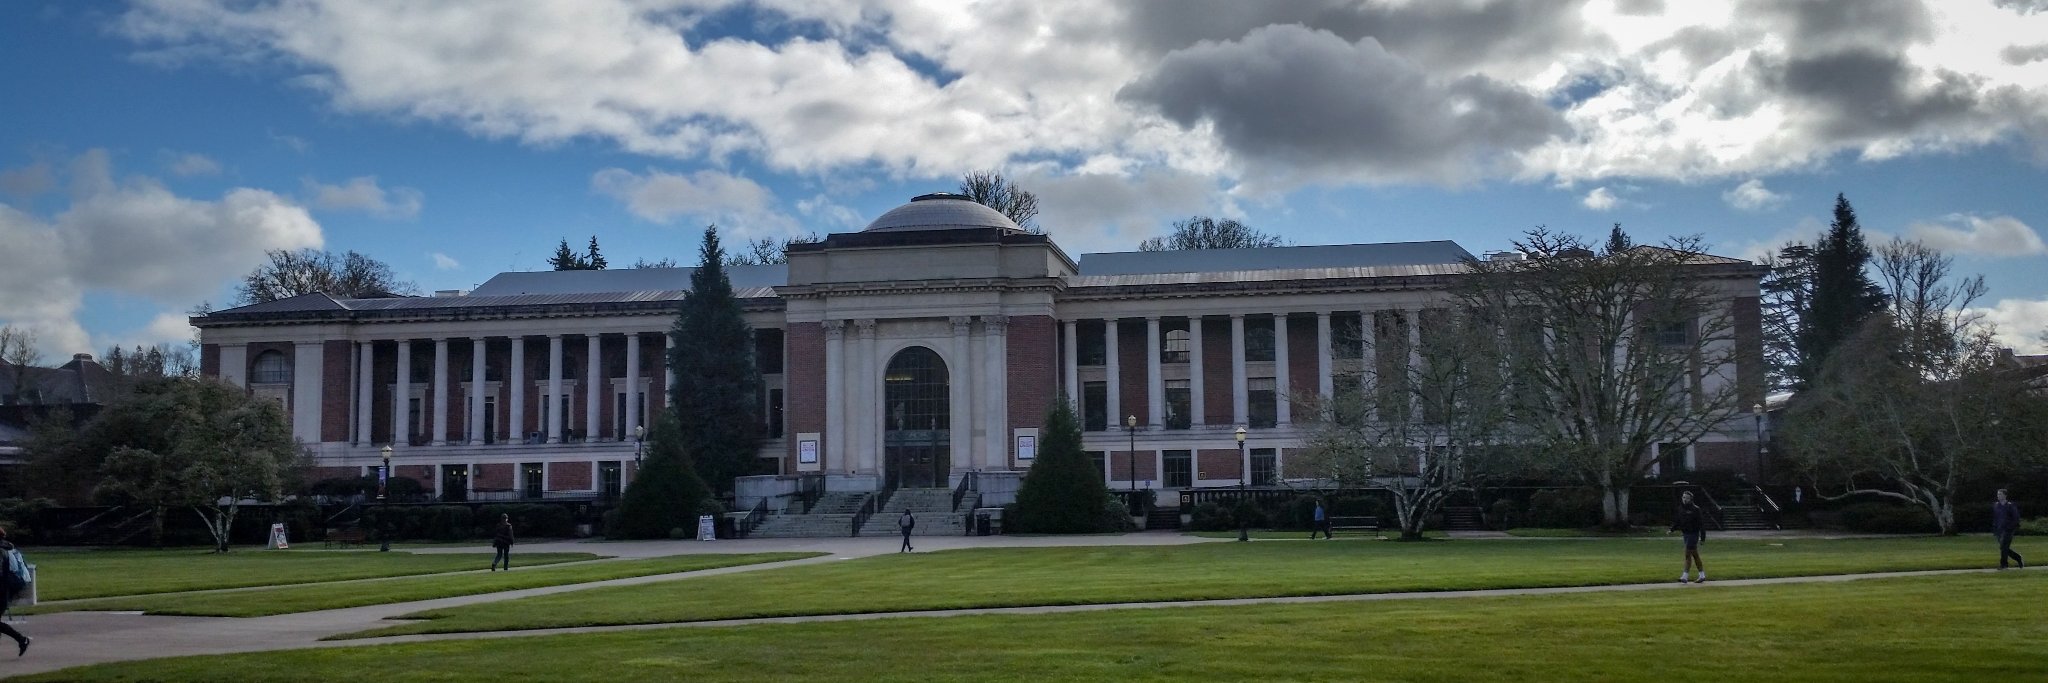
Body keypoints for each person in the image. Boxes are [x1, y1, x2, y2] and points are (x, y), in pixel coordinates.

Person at [0, 528, 31, 657]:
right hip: (8, 588)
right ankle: (21, 640)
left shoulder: (1, 551)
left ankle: (21, 639)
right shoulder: (8, 548)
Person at [1669, 491, 1707, 583]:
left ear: (1691, 499)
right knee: (1695, 555)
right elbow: (1678, 520)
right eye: (1683, 497)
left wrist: (1702, 538)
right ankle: (1702, 575)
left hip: (1693, 534)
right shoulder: (1680, 509)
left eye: (1686, 498)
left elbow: (1701, 524)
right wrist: (1672, 529)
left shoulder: (1696, 509)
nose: (1684, 499)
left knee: (1687, 554)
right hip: (1685, 534)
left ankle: (1685, 576)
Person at [1994, 489, 2024, 570]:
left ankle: (2004, 565)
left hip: (2008, 530)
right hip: (1999, 530)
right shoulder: (1996, 505)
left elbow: (2016, 518)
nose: (1998, 496)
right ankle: (2018, 558)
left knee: (2004, 546)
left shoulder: (2010, 505)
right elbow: (1996, 518)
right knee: (2003, 547)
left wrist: (2010, 527)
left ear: (2005, 495)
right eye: (1998, 494)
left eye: (2000, 494)